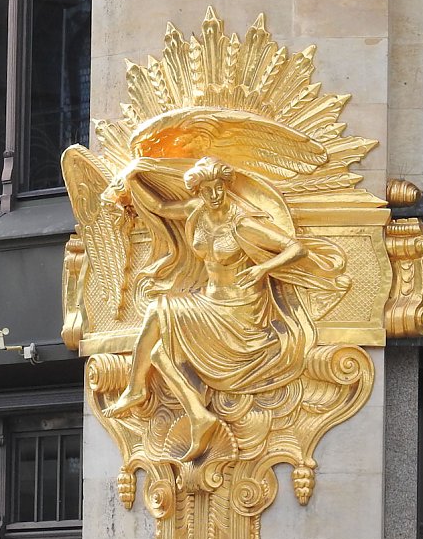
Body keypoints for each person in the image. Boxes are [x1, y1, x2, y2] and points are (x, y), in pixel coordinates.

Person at [103, 155, 321, 460]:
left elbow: (297, 248)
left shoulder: (243, 223)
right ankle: (197, 415)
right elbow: (162, 209)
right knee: (158, 353)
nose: (214, 195)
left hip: (240, 312)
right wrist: (133, 177)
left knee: (157, 311)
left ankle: (136, 389)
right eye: (207, 190)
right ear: (199, 192)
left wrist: (263, 269)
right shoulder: (197, 211)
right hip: (209, 303)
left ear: (225, 186)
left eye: (218, 187)